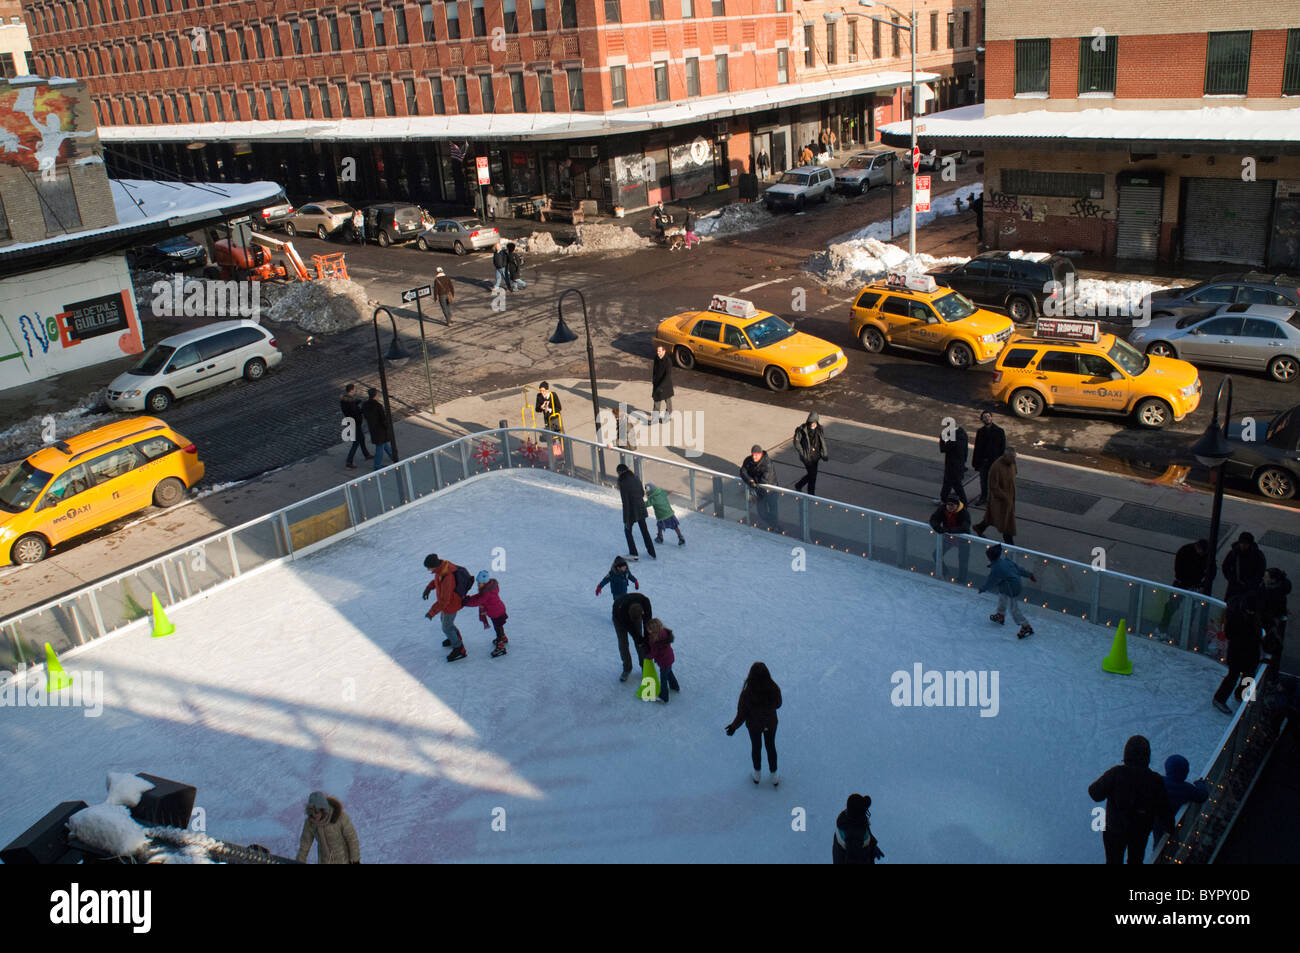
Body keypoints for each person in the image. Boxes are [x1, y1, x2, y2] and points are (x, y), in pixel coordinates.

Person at [1087, 735, 1177, 865]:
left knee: (1113, 861)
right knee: (1136, 861)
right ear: (1147, 756)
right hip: (1140, 832)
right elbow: (1164, 809)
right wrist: (1171, 828)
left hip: (1115, 830)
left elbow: (1094, 793)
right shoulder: (1155, 780)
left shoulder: (1116, 773)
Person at [725, 662, 783, 786]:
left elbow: (742, 714)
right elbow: (778, 704)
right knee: (771, 747)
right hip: (770, 723)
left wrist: (733, 727)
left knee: (756, 747)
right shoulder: (774, 688)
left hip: (754, 726)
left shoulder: (746, 694)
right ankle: (774, 776)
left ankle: (757, 774)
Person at [1213, 591, 1262, 714]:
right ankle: (1220, 698)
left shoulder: (1252, 614)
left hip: (1250, 651)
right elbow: (1230, 634)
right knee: (1233, 675)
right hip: (1238, 651)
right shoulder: (1236, 616)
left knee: (1249, 673)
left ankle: (1242, 695)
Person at [979, 543, 1035, 639]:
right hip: (1008, 585)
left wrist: (983, 589)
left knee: (1013, 609)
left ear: (991, 557)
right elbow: (1019, 569)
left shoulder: (997, 568)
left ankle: (1026, 626)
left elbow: (991, 581)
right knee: (1002, 597)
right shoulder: (1005, 561)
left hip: (1012, 588)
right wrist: (1029, 575)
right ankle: (1000, 615)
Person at [423, 553, 469, 661]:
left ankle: (459, 649)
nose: (428, 570)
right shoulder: (441, 569)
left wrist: (432, 612)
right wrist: (429, 588)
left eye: (429, 568)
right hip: (447, 604)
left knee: (446, 626)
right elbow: (437, 581)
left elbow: (444, 600)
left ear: (434, 565)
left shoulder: (447, 576)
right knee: (445, 622)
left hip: (451, 605)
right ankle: (454, 638)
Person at [1154, 754, 1209, 840]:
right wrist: (1200, 783)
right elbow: (1202, 795)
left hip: (1157, 821)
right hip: (1173, 823)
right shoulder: (1186, 789)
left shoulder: (1159, 781)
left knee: (1159, 839)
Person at [296, 791, 360, 864]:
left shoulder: (340, 817)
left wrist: (355, 859)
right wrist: (300, 861)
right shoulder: (310, 823)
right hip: (325, 860)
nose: (314, 815)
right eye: (311, 813)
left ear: (323, 810)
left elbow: (352, 838)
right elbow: (305, 843)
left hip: (343, 859)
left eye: (316, 812)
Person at [1159, 539, 1209, 631]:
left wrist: (1202, 584)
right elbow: (1178, 568)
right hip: (1183, 584)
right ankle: (1164, 627)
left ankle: (1183, 631)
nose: (1201, 554)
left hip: (1192, 585)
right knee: (1173, 606)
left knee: (1188, 610)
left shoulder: (1204, 555)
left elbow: (1211, 571)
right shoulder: (1186, 551)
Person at [974, 448, 1018, 545]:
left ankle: (979, 527)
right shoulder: (996, 467)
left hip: (1009, 498)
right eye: (1012, 457)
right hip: (1000, 501)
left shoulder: (1012, 463)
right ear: (1005, 456)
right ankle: (1010, 545)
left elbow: (1014, 473)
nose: (1014, 459)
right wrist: (1005, 497)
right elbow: (993, 486)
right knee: (1006, 523)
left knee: (993, 518)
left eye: (1015, 457)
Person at [462, 569, 509, 657]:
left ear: (485, 583)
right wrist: (469, 598)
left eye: (480, 583)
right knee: (499, 626)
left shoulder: (487, 593)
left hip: (496, 613)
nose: (478, 585)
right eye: (478, 583)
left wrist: (466, 602)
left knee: (497, 628)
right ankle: (503, 637)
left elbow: (478, 601)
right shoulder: (489, 588)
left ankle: (501, 646)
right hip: (499, 610)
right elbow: (478, 596)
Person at [616, 463, 657, 560]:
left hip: (631, 511)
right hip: (641, 507)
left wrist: (626, 519)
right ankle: (652, 552)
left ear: (620, 473)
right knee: (644, 530)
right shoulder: (636, 478)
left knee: (627, 530)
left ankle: (633, 553)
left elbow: (625, 502)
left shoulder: (623, 483)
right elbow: (642, 493)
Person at [929, 492, 972, 581]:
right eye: (948, 504)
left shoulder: (964, 512)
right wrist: (938, 527)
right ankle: (945, 572)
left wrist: (949, 531)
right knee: (936, 554)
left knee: (963, 561)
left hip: (962, 540)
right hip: (948, 538)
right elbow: (933, 519)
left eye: (952, 505)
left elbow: (965, 527)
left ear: (957, 505)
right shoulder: (943, 509)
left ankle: (962, 579)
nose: (949, 507)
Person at [612, 590, 652, 682]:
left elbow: (648, 622)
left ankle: (644, 666)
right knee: (623, 643)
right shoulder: (622, 611)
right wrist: (640, 640)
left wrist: (646, 640)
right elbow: (634, 633)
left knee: (641, 643)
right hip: (618, 618)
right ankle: (627, 668)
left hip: (633, 612)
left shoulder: (645, 602)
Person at [833, 793, 884, 864]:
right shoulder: (854, 837)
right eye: (864, 811)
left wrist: (872, 845)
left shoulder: (848, 816)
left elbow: (866, 830)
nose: (866, 813)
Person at [1260, 567, 1291, 680]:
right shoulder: (1279, 591)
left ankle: (1270, 676)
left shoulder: (1272, 594)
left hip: (1270, 625)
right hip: (1273, 624)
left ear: (1273, 580)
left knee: (1270, 648)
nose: (1264, 578)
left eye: (1266, 576)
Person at [970, 411, 1005, 507]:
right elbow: (977, 448)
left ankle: (993, 499)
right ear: (982, 420)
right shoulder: (980, 432)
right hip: (983, 461)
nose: (987, 418)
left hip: (994, 461)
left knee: (994, 482)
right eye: (985, 417)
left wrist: (1001, 462)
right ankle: (983, 497)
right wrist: (975, 462)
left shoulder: (999, 431)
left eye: (988, 416)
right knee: (983, 481)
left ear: (992, 418)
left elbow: (1002, 448)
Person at [739, 444, 779, 526]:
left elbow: (765, 481)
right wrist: (750, 480)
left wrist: (754, 487)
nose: (754, 457)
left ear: (760, 454)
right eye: (753, 455)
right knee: (761, 512)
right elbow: (743, 471)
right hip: (759, 492)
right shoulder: (748, 461)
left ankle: (774, 525)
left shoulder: (767, 464)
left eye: (756, 455)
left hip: (771, 491)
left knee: (773, 511)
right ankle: (771, 524)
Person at [791, 412, 829, 496]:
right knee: (812, 475)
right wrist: (802, 453)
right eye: (810, 422)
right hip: (807, 457)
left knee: (813, 475)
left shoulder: (819, 429)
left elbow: (822, 442)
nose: (811, 424)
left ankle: (805, 490)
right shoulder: (802, 429)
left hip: (816, 456)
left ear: (816, 421)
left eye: (813, 422)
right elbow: (796, 442)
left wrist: (824, 453)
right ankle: (808, 492)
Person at [1221, 531, 1266, 600]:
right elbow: (1225, 566)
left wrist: (1251, 584)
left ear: (1250, 544)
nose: (1242, 545)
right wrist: (1231, 579)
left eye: (1245, 544)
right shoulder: (1234, 552)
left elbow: (1260, 572)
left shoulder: (1257, 555)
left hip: (1248, 588)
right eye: (1241, 543)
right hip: (1235, 585)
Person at [645, 618, 679, 704]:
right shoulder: (665, 633)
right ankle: (675, 686)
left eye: (649, 629)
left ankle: (664, 697)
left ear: (653, 630)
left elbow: (654, 652)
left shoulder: (654, 640)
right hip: (670, 657)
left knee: (663, 679)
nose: (647, 630)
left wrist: (648, 657)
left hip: (663, 661)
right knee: (669, 672)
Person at [340, 383, 371, 469]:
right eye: (354, 389)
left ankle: (366, 454)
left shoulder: (346, 400)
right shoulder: (350, 402)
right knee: (356, 442)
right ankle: (349, 462)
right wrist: (361, 410)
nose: (355, 390)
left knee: (361, 438)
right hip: (354, 422)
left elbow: (351, 406)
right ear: (352, 390)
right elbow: (354, 411)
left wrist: (356, 402)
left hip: (351, 421)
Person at [645, 481, 686, 546]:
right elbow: (667, 493)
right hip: (669, 513)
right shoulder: (661, 492)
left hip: (661, 515)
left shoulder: (652, 498)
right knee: (675, 526)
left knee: (659, 526)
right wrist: (670, 491)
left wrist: (640, 504)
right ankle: (680, 537)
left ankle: (660, 537)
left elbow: (646, 505)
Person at [362, 387, 393, 471]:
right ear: (375, 395)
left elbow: (365, 415)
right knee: (380, 447)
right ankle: (377, 465)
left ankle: (392, 455)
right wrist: (387, 427)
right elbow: (383, 418)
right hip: (380, 429)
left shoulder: (365, 405)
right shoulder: (378, 406)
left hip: (373, 429)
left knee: (384, 444)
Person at [939, 425, 969, 505]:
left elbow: (943, 449)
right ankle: (944, 499)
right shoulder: (963, 435)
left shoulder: (953, 440)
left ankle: (964, 502)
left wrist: (941, 439)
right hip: (959, 464)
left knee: (956, 485)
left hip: (952, 465)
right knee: (948, 483)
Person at [651, 344, 674, 421]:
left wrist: (661, 386)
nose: (658, 353)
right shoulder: (656, 358)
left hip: (665, 385)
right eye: (657, 351)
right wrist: (653, 380)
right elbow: (654, 370)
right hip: (657, 383)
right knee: (656, 401)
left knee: (668, 401)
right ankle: (655, 418)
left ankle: (668, 416)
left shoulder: (668, 361)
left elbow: (668, 375)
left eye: (659, 351)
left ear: (664, 351)